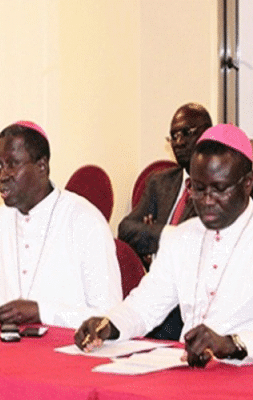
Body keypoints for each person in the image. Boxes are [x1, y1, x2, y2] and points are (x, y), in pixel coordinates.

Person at [76, 124, 253, 367]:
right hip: (190, 372)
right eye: (198, 189)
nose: (207, 200)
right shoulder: (182, 237)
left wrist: (233, 343)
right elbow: (146, 305)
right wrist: (109, 324)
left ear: (247, 184)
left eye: (219, 189)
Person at [0, 121, 122, 327]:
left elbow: (110, 316)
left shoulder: (85, 220)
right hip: (12, 349)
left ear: (42, 166)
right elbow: (2, 305)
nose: (2, 176)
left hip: (70, 350)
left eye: (12, 164)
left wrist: (42, 313)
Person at [118, 103, 213, 267]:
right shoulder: (159, 182)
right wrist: (165, 233)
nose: (179, 142)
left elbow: (198, 243)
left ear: (208, 134)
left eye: (186, 133)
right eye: (173, 136)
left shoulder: (218, 187)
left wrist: (151, 240)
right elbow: (125, 229)